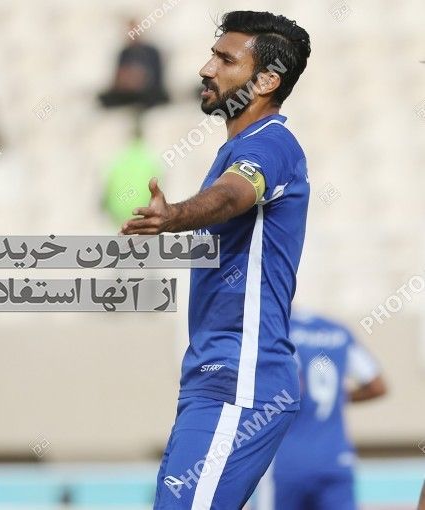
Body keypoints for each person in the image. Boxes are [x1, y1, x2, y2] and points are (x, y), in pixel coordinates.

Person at [121, 10, 312, 509]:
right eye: (212, 56)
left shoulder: (271, 146)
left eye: (225, 60)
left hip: (241, 379)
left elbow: (233, 196)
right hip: (213, 378)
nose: (206, 69)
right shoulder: (236, 149)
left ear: (266, 81)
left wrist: (175, 216)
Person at [254, 310, 386, 510]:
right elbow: (377, 386)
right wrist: (340, 397)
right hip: (335, 458)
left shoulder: (277, 330)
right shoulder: (338, 331)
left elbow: (294, 387)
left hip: (286, 461)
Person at [98, 19, 169, 109]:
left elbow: (157, 78)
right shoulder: (124, 53)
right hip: (127, 93)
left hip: (147, 92)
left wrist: (140, 80)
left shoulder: (152, 52)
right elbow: (117, 79)